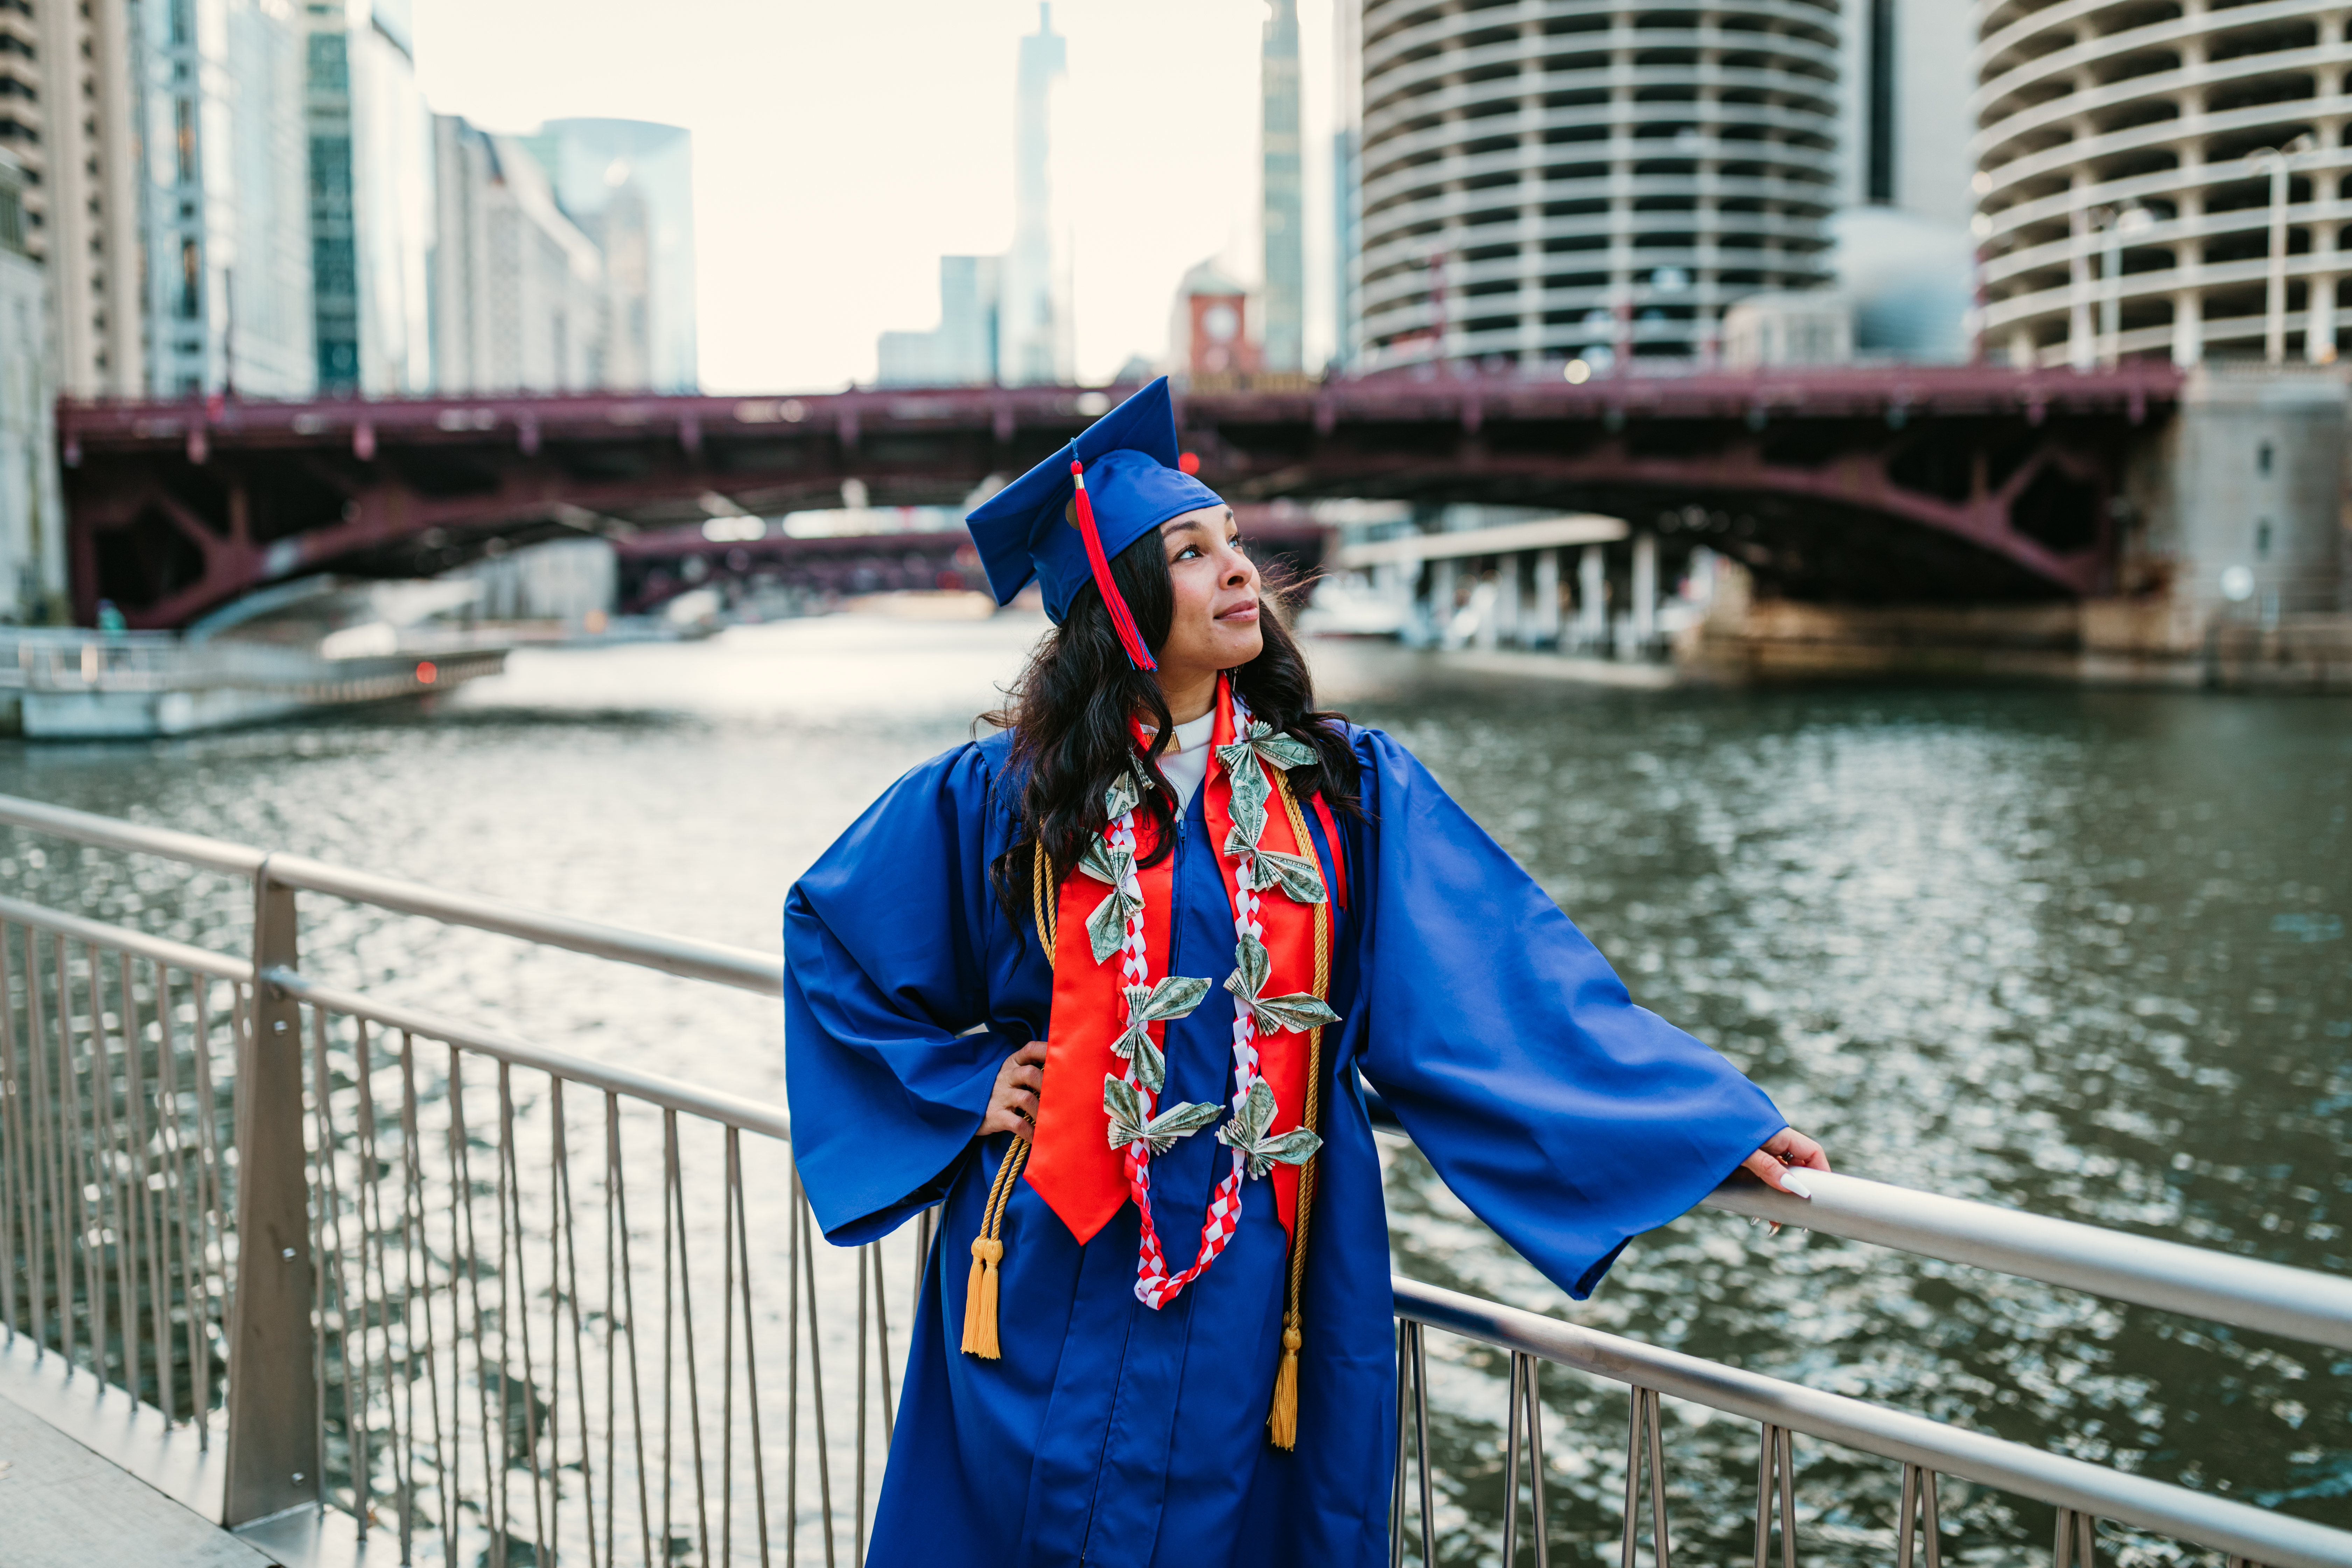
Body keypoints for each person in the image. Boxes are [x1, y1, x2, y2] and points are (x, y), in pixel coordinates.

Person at [784, 378, 1828, 1568]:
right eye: (1190, 551)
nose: (1240, 569)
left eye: (1234, 541)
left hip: (1262, 1283)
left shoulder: (1339, 793)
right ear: (1120, 607)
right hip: (1042, 1271)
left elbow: (1501, 987)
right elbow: (836, 938)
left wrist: (1700, 1124)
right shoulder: (1004, 797)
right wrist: (968, 1088)